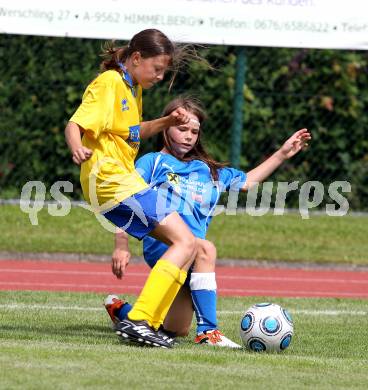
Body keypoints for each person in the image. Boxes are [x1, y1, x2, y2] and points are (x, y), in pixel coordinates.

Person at [104, 96, 311, 347]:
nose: (188, 136)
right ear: (166, 127)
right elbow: (128, 198)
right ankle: (208, 332)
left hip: (193, 258)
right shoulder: (152, 162)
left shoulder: (207, 170)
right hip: (168, 247)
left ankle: (123, 313)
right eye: (182, 129)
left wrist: (282, 154)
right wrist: (121, 243)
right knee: (205, 247)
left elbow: (246, 182)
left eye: (194, 131)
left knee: (176, 329)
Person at [65, 29, 206, 349]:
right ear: (137, 58)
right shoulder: (110, 83)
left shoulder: (131, 88)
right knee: (185, 241)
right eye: (156, 69)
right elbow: (75, 123)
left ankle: (149, 325)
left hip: (118, 180)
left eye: (163, 71)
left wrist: (167, 122)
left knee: (188, 244)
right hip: (110, 180)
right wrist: (77, 148)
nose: (159, 76)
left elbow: (132, 132)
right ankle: (140, 320)